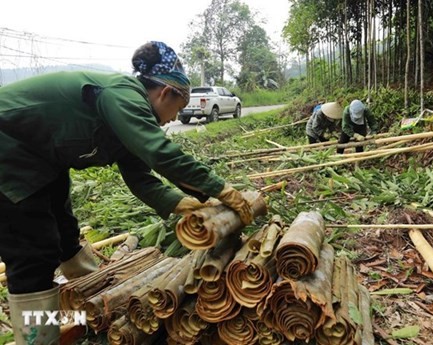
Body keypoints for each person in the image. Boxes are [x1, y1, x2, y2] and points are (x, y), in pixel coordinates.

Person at [0, 41, 253, 345]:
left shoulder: (128, 115)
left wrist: (181, 203)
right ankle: (37, 338)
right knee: (34, 252)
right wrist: (222, 189)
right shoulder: (123, 94)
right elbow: (159, 153)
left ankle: (90, 308)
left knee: (66, 235)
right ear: (165, 93)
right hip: (9, 152)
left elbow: (141, 177)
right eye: (178, 107)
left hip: (40, 159)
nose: (174, 118)